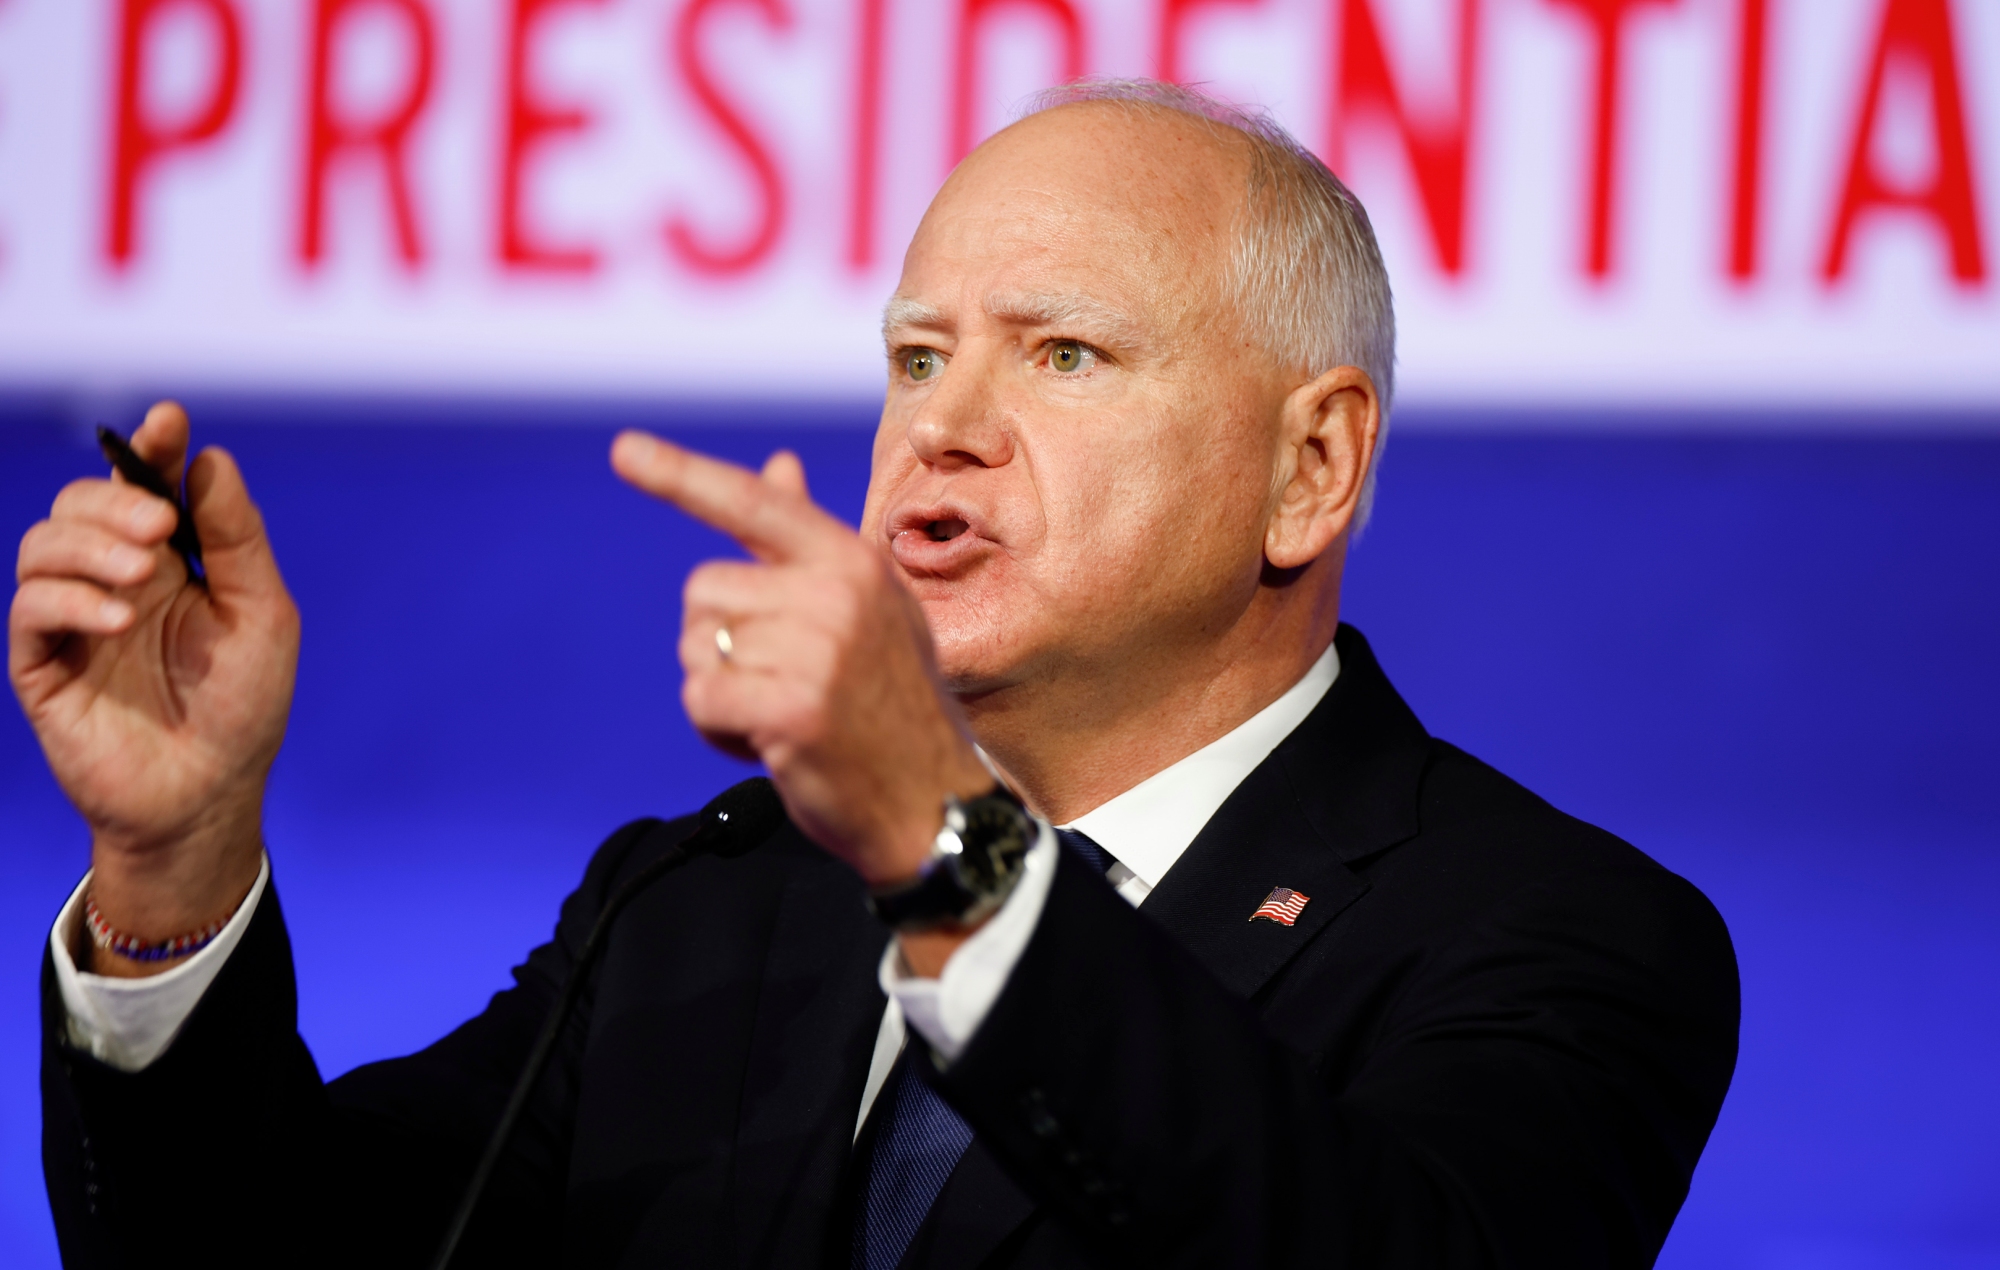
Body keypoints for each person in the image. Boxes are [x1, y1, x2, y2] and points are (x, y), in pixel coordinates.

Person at [13, 80, 1738, 1269]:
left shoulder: (1565, 937)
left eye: (1063, 352)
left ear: (1312, 469)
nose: (944, 429)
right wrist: (173, 866)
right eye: (916, 357)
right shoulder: (705, 905)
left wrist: (940, 832)